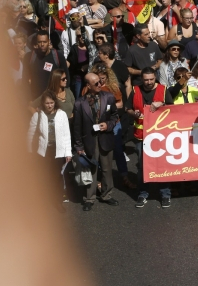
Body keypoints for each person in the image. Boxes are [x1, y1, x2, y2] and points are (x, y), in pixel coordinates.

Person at [125, 67, 174, 207]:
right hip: (142, 136)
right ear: (141, 79)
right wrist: (133, 113)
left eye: (151, 79)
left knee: (162, 165)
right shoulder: (135, 90)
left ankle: (165, 194)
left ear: (155, 78)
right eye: (146, 80)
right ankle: (143, 193)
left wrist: (163, 104)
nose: (148, 82)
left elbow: (174, 109)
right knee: (142, 166)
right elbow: (127, 108)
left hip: (161, 136)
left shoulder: (164, 90)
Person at [73, 73, 120, 211]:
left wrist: (108, 125)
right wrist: (78, 146)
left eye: (100, 82)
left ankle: (107, 194)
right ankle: (89, 198)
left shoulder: (109, 97)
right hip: (89, 140)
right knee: (91, 170)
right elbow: (77, 127)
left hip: (105, 138)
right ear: (88, 86)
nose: (100, 85)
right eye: (96, 83)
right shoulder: (79, 103)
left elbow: (114, 116)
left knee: (107, 170)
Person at [27, 91, 72, 206]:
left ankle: (58, 201)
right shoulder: (38, 115)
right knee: (45, 175)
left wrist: (68, 152)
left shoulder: (61, 115)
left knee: (57, 176)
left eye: (52, 103)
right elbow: (31, 134)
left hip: (59, 150)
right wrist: (29, 151)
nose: (50, 105)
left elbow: (66, 134)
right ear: (43, 103)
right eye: (47, 103)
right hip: (44, 151)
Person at [23, 31, 69, 99]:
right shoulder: (29, 57)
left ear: (49, 42)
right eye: (39, 42)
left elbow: (66, 77)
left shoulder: (58, 56)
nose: (42, 44)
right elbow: (25, 79)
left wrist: (62, 95)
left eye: (44, 42)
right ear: (36, 42)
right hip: (35, 98)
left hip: (53, 98)